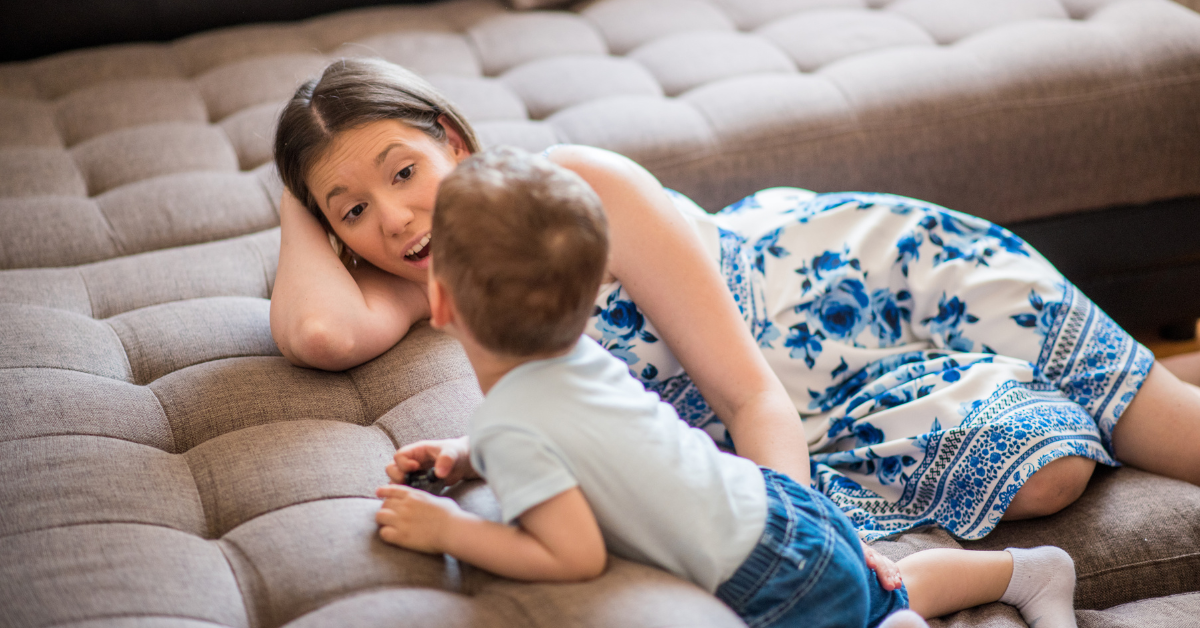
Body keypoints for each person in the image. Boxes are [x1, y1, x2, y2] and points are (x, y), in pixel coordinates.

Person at [271, 57, 1200, 542]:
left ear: (454, 142)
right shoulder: (423, 275)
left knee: (1173, 431)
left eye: (406, 171)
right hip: (818, 404)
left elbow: (748, 396)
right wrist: (299, 189)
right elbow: (317, 329)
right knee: (1047, 474)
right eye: (353, 211)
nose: (394, 218)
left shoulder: (575, 188)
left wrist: (793, 538)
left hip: (871, 285)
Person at [373, 146, 1079, 628]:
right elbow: (587, 434)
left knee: (878, 607)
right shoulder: (582, 357)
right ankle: (1026, 572)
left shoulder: (510, 420)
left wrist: (451, 530)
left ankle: (1019, 578)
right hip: (777, 497)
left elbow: (574, 554)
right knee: (881, 588)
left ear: (439, 307)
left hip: (764, 569)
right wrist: (473, 455)